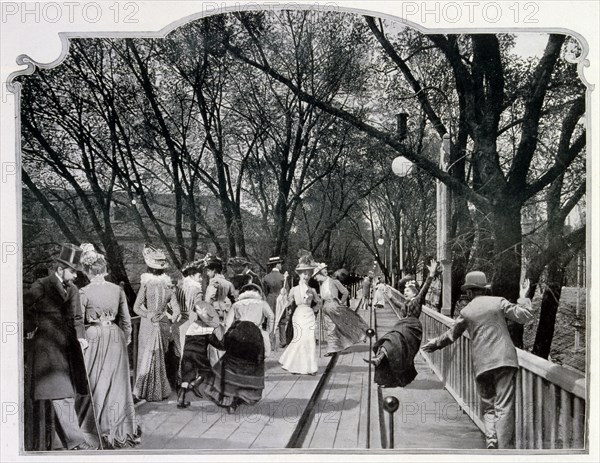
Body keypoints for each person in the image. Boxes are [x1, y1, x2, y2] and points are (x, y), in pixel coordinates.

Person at [422, 271, 534, 450]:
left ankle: (491, 439)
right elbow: (524, 316)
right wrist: (523, 297)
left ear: (469, 292)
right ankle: (504, 450)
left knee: (488, 405)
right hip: (505, 360)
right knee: (504, 406)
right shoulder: (498, 302)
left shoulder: (467, 311)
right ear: (484, 289)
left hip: (482, 364)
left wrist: (435, 343)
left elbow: (452, 335)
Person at [23, 243, 95, 450]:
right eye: (72, 271)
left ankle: (57, 443)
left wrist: (81, 337)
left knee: (63, 393)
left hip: (67, 348)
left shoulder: (72, 289)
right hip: (46, 347)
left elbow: (78, 318)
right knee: (60, 393)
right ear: (60, 268)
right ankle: (75, 441)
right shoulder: (41, 284)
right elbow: (24, 306)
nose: (75, 276)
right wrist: (31, 329)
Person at [77, 244, 141, 448]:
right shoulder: (117, 290)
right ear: (104, 270)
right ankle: (118, 429)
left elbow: (77, 320)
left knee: (95, 381)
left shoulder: (83, 291)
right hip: (115, 337)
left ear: (87, 271)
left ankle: (94, 428)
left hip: (93, 335)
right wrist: (127, 338)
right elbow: (126, 320)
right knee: (118, 383)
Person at [364, 259, 439, 388]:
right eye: (404, 291)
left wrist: (431, 275)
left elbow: (425, 289)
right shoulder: (407, 304)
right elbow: (399, 305)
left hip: (412, 329)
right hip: (403, 326)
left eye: (408, 291)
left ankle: (382, 357)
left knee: (395, 344)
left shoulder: (417, 300)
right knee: (390, 343)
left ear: (415, 293)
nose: (405, 292)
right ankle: (381, 359)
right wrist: (390, 296)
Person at [133, 244, 181, 402]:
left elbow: (136, 308)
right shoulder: (168, 286)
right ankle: (159, 391)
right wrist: (168, 319)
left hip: (149, 323)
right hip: (163, 323)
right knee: (160, 357)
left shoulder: (146, 284)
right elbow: (177, 311)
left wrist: (149, 315)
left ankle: (144, 391)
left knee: (147, 357)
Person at [200, 320, 266, 414]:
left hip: (233, 366)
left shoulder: (233, 333)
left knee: (224, 364)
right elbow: (261, 354)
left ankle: (230, 402)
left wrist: (209, 336)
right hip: (250, 368)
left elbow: (222, 345)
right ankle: (239, 398)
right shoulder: (256, 333)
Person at [176, 285, 221, 409]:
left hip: (187, 353)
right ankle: (194, 384)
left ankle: (181, 398)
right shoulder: (207, 329)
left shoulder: (192, 326)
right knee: (207, 371)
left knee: (187, 375)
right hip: (199, 354)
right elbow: (217, 344)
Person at [279, 251, 321, 375]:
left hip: (309, 315)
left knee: (309, 340)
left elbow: (318, 302)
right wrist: (283, 295)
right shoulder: (294, 289)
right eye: (303, 274)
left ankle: (310, 367)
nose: (306, 276)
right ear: (299, 275)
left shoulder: (312, 290)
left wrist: (315, 309)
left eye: (308, 274)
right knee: (299, 339)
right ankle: (293, 364)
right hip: (298, 315)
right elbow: (287, 303)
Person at [313, 263, 368, 357]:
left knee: (346, 322)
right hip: (326, 307)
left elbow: (345, 292)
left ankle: (362, 333)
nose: (315, 279)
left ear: (320, 274)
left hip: (334, 305)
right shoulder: (320, 284)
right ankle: (332, 349)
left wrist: (341, 303)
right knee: (330, 328)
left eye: (316, 276)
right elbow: (322, 297)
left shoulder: (333, 281)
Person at [173, 259, 205, 381]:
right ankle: (187, 378)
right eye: (199, 276)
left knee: (180, 350)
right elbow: (198, 307)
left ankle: (179, 378)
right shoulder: (196, 289)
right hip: (191, 319)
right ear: (191, 275)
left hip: (178, 321)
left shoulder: (179, 287)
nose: (201, 278)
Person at [224, 283, 275, 357]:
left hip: (239, 331)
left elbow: (228, 322)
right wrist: (268, 331)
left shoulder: (236, 304)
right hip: (256, 330)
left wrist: (227, 334)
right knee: (263, 352)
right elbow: (271, 316)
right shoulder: (262, 303)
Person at [262, 256, 288, 348]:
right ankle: (283, 341)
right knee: (282, 320)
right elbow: (286, 291)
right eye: (280, 263)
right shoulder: (282, 277)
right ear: (276, 264)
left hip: (270, 299)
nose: (281, 265)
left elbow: (264, 291)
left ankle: (272, 343)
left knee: (271, 320)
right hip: (280, 299)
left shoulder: (266, 277)